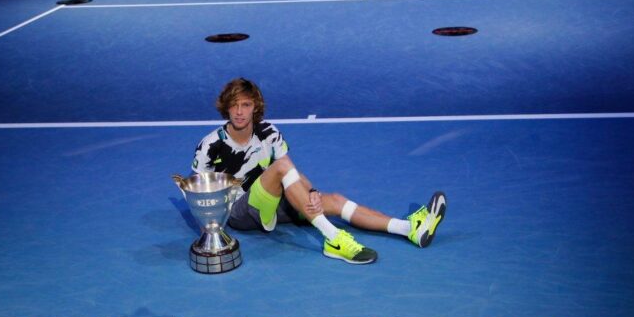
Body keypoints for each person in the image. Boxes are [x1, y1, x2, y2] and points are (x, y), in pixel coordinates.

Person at [191, 78, 446, 264]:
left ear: (255, 107)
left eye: (245, 105)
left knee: (334, 200)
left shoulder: (268, 132)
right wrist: (210, 229)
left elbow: (289, 169)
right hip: (240, 211)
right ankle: (333, 238)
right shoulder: (211, 144)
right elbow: (195, 190)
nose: (239, 112)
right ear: (226, 107)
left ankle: (409, 229)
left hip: (271, 199)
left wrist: (311, 192)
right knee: (281, 168)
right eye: (234, 105)